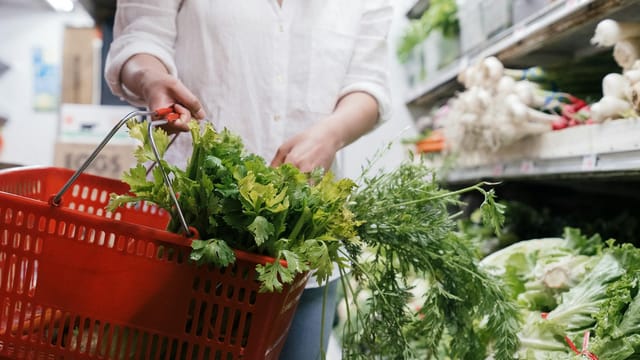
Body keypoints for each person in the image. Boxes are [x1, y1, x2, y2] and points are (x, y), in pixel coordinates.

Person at [105, 1, 392, 358]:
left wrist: (331, 134)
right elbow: (140, 37)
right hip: (189, 234)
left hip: (302, 252)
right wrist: (151, 79)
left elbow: (368, 84)